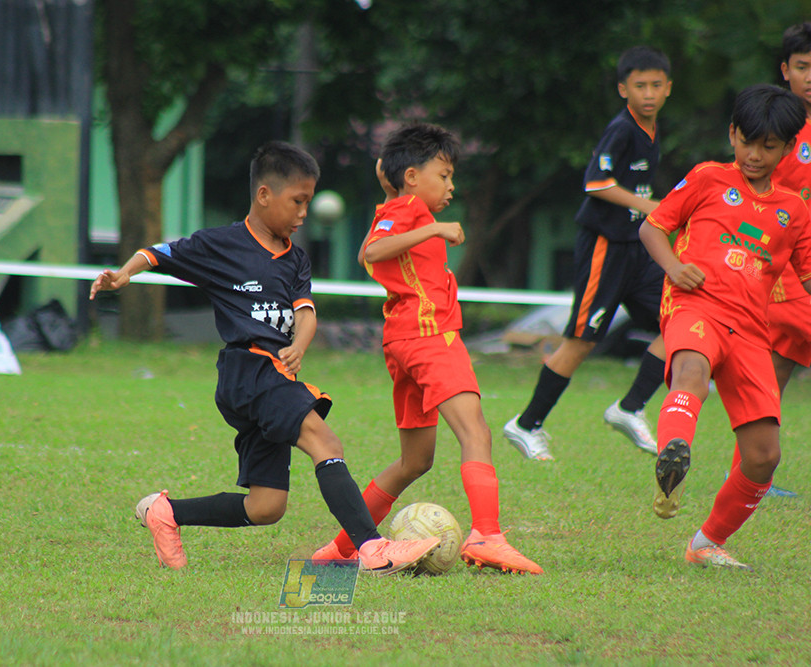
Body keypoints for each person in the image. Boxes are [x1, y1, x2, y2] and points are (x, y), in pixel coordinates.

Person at [89, 141, 439, 574]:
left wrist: (300, 344)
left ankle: (167, 513)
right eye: (298, 201)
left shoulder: (296, 260)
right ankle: (372, 548)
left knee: (266, 506)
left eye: (308, 202)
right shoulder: (221, 244)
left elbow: (305, 314)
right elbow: (159, 253)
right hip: (248, 369)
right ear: (264, 195)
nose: (303, 213)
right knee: (325, 442)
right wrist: (124, 272)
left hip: (270, 374)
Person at [311, 123, 543, 574]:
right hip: (430, 336)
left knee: (415, 461)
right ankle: (488, 536)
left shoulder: (397, 206)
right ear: (413, 176)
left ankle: (339, 549)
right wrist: (432, 226)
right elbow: (375, 252)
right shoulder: (414, 210)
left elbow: (366, 251)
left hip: (403, 342)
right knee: (475, 433)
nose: (451, 186)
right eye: (444, 174)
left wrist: (396, 196)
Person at [639, 84, 811, 569]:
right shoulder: (707, 177)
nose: (755, 155)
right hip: (695, 307)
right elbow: (652, 227)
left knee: (763, 455)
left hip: (751, 331)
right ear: (733, 133)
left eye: (769, 147)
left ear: (786, 148)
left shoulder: (794, 211)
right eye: (747, 142)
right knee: (690, 374)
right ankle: (673, 454)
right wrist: (674, 269)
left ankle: (705, 543)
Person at [503, 46, 673, 460]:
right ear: (623, 89)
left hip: (638, 249)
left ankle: (629, 408)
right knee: (582, 341)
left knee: (679, 321)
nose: (648, 93)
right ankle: (525, 425)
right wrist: (648, 204)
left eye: (655, 85)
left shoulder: (652, 129)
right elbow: (596, 183)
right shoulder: (622, 128)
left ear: (669, 88)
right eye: (639, 85)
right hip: (605, 246)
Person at [729, 21, 811, 499]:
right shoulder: (782, 134)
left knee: (776, 373)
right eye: (802, 66)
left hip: (808, 271)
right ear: (785, 71)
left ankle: (743, 473)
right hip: (789, 275)